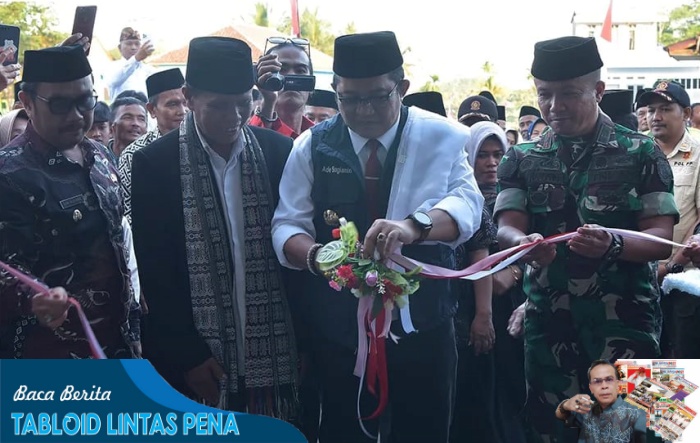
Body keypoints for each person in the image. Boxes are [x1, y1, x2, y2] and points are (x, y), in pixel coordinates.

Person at [271, 30, 483, 443]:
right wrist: (317, 256)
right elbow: (286, 224)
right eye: (349, 99)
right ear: (334, 91)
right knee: (342, 429)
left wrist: (412, 226)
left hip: (423, 320)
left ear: (402, 88)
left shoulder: (438, 136)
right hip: (339, 329)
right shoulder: (311, 145)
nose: (364, 110)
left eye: (377, 96)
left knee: (424, 428)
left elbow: (468, 207)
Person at [494, 36, 678, 443]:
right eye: (545, 95)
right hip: (550, 326)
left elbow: (663, 240)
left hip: (629, 324)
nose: (554, 107)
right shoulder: (521, 157)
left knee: (645, 433)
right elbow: (505, 226)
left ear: (597, 91)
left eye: (568, 94)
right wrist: (526, 243)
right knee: (552, 432)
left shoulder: (642, 152)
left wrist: (613, 244)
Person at [130, 36, 299, 419]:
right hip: (195, 358)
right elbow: (156, 272)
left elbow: (292, 258)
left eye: (244, 103)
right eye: (219, 106)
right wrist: (188, 353)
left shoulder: (277, 153)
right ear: (188, 97)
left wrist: (300, 343)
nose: (234, 117)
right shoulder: (155, 164)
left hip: (274, 354)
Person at [0, 44, 140, 359]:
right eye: (60, 105)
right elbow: (7, 266)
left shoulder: (101, 155)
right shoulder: (8, 173)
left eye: (85, 101)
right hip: (48, 355)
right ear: (27, 102)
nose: (77, 116)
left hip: (118, 344)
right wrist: (31, 298)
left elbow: (117, 239)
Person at [119, 68, 187, 223]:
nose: (182, 111)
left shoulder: (203, 145)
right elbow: (131, 214)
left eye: (185, 102)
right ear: (151, 110)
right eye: (172, 104)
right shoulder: (135, 154)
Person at [555, 360, 647, 443]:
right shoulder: (586, 410)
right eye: (597, 381)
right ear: (591, 388)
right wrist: (565, 405)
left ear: (618, 385)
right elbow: (560, 415)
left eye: (609, 380)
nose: (604, 386)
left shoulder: (637, 414)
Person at [251, 37, 314, 139]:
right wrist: (268, 101)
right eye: (280, 69)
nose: (291, 75)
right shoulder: (247, 133)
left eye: (300, 70)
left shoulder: (321, 136)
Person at [105, 27, 154, 100]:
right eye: (129, 44)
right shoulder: (112, 67)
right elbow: (114, 81)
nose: (133, 47)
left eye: (137, 44)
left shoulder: (149, 71)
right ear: (119, 47)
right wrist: (136, 59)